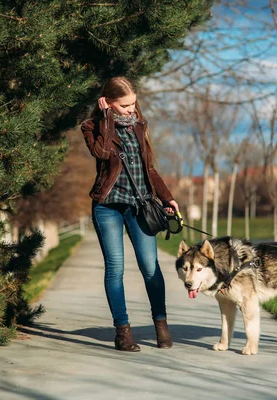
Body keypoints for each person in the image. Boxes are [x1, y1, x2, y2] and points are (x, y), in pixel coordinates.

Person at [81, 76, 179, 352]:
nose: (131, 109)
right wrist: (106, 120)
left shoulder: (139, 125)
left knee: (150, 267)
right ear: (107, 103)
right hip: (107, 207)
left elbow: (149, 169)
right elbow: (101, 152)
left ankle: (161, 324)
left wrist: (167, 197)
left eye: (134, 103)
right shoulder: (92, 127)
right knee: (115, 269)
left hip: (140, 206)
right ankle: (123, 332)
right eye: (124, 105)